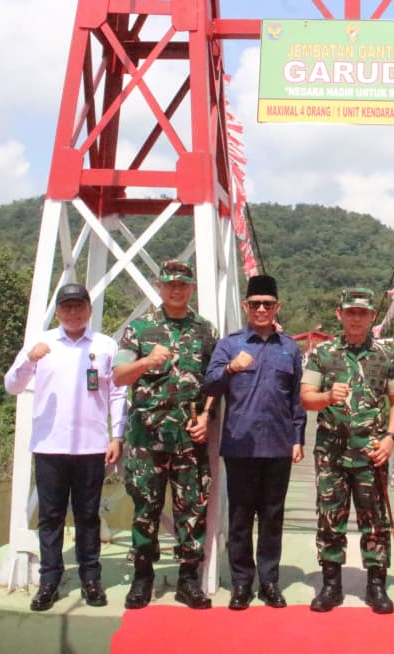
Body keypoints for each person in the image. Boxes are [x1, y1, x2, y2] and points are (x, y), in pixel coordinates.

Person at [4, 283, 127, 612]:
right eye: (67, 307)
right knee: (51, 517)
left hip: (91, 447)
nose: (73, 313)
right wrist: (29, 361)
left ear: (89, 309)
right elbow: (12, 385)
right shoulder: (40, 343)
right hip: (50, 446)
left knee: (88, 517)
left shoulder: (104, 346)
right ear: (58, 311)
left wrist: (117, 435)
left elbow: (117, 393)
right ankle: (49, 581)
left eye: (79, 306)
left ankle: (91, 580)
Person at [112, 260, 218, 610]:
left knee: (192, 509)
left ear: (191, 288)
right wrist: (146, 362)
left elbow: (215, 382)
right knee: (146, 507)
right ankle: (143, 577)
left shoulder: (205, 331)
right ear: (159, 287)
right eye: (170, 284)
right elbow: (119, 376)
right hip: (147, 441)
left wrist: (206, 415)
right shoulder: (139, 329)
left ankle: (188, 581)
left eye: (183, 284)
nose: (176, 290)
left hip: (190, 440)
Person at [300, 288, 394, 615]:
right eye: (350, 312)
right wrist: (328, 396)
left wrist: (390, 439)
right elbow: (306, 398)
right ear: (339, 315)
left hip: (371, 452)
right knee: (330, 518)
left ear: (372, 316)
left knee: (375, 520)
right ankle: (331, 584)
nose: (356, 318)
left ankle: (376, 584)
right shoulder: (322, 354)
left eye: (362, 313)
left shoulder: (388, 357)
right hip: (331, 452)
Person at [205, 274, 306, 610]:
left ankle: (270, 582)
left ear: (277, 307)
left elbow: (296, 399)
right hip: (240, 444)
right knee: (240, 517)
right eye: (255, 304)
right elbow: (210, 386)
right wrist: (230, 370)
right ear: (246, 306)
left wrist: (298, 437)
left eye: (267, 304)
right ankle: (242, 584)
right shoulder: (230, 344)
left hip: (278, 444)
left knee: (273, 516)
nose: (261, 309)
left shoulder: (290, 348)